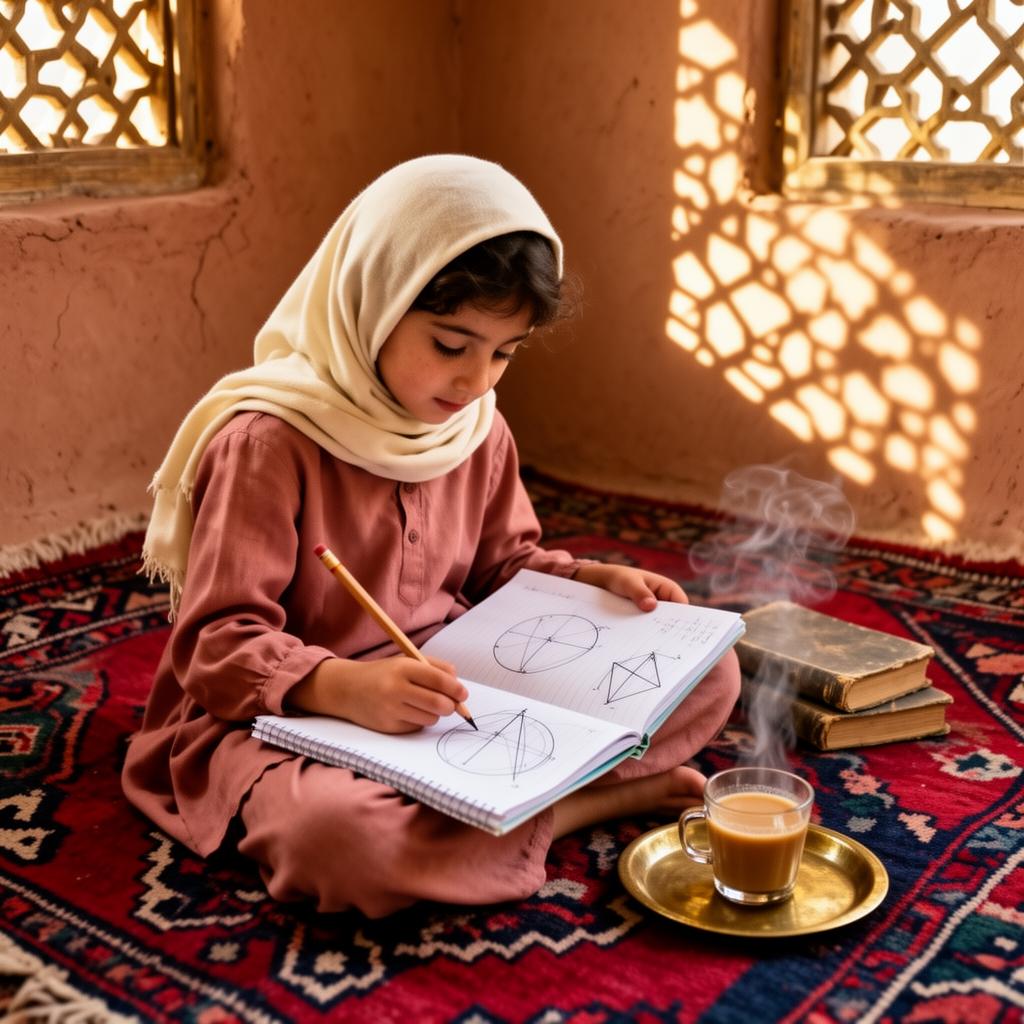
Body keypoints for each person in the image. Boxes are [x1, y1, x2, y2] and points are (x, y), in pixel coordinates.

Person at [123, 154, 740, 918]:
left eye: (504, 353)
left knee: (707, 673)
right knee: (343, 839)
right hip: (291, 712)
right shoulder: (267, 443)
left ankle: (491, 818)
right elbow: (214, 644)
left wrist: (586, 582)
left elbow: (503, 568)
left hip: (449, 683)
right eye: (452, 345)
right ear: (372, 303)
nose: (476, 380)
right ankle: (574, 810)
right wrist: (341, 687)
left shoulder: (478, 430)